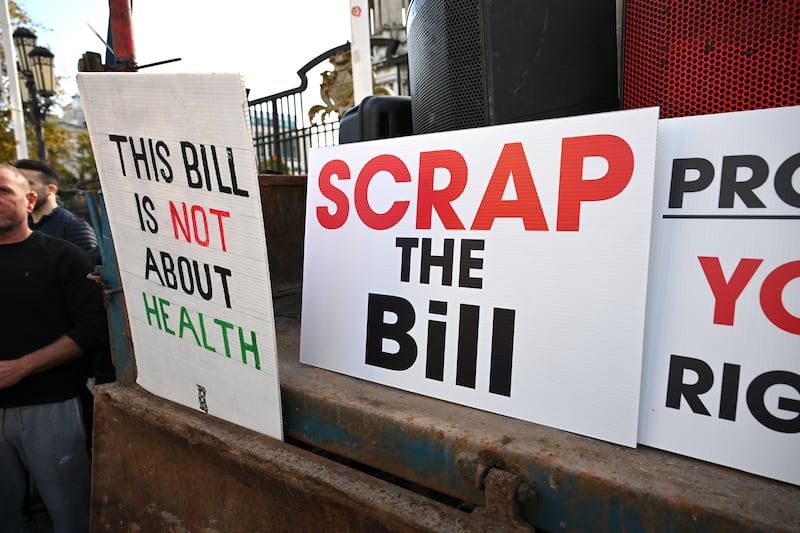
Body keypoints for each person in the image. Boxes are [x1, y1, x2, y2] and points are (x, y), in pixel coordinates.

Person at [0, 164, 108, 532]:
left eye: (3, 191)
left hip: (52, 408)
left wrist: (23, 367)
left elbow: (92, 328)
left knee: (71, 514)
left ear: (30, 199)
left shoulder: (64, 256)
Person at [14, 158, 100, 264]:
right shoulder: (21, 224)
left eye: (28, 183)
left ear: (51, 189)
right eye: (17, 184)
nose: (19, 189)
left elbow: (88, 270)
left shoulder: (74, 228)